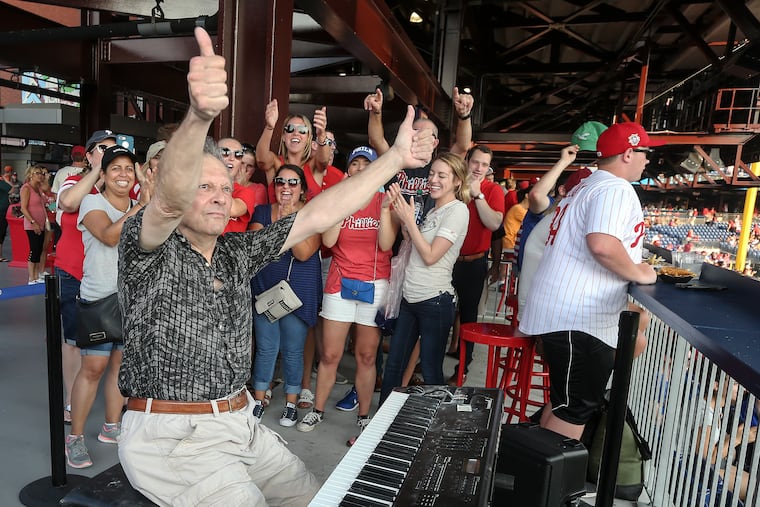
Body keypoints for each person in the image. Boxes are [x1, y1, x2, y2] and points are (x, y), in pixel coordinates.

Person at [116, 27, 435, 506]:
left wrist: (392, 160)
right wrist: (201, 117)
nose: (219, 196)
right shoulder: (147, 247)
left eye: (225, 188)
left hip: (240, 423)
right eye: (204, 188)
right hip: (173, 435)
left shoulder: (234, 250)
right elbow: (166, 202)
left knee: (312, 498)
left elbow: (317, 214)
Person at [519, 122, 661, 440]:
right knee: (570, 416)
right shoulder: (614, 188)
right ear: (628, 154)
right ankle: (547, 487)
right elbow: (602, 245)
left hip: (566, 316)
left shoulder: (587, 186)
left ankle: (533, 480)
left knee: (563, 405)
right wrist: (641, 271)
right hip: (579, 320)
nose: (647, 159)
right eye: (644, 152)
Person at [297, 146, 396, 446]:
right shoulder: (338, 199)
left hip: (374, 284)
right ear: (348, 169)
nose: (361, 168)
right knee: (330, 355)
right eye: (356, 164)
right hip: (340, 282)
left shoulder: (385, 199)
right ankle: (317, 410)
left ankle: (364, 418)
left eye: (368, 164)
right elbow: (328, 240)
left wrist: (383, 210)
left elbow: (386, 243)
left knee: (366, 355)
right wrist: (342, 205)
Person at [65, 145, 148, 469]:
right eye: (116, 168)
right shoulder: (92, 202)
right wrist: (140, 206)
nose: (124, 174)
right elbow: (110, 236)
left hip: (131, 300)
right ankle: (75, 438)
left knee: (120, 367)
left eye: (129, 168)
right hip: (99, 299)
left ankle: (112, 427)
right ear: (103, 174)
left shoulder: (141, 205)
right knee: (93, 369)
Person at [380, 152, 470, 404]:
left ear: (457, 182)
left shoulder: (458, 211)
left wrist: (409, 219)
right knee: (394, 367)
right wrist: (402, 217)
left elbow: (431, 256)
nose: (433, 179)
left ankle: (431, 434)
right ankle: (380, 429)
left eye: (442, 175)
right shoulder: (434, 211)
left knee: (431, 372)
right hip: (410, 298)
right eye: (432, 174)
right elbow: (415, 246)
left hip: (435, 302)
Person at [249, 164, 321, 427]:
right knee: (266, 349)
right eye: (280, 182)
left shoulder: (311, 216)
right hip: (266, 291)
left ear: (302, 189)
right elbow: (260, 248)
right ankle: (258, 401)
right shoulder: (262, 212)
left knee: (293, 352)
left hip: (297, 294)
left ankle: (291, 405)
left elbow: (303, 253)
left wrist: (290, 220)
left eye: (293, 183)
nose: (286, 188)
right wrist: (288, 227)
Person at [56, 130, 118, 426]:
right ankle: (71, 399)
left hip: (107, 277)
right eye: (102, 148)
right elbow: (68, 203)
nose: (109, 153)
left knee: (112, 344)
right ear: (90, 153)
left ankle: (112, 407)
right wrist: (96, 171)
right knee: (72, 340)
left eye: (114, 149)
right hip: (73, 271)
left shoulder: (123, 186)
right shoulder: (73, 180)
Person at [449, 145, 505, 382]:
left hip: (473, 264)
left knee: (469, 319)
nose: (479, 168)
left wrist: (478, 194)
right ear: (467, 161)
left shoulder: (493, 191)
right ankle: (426, 362)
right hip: (447, 261)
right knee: (440, 314)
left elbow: (494, 225)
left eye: (484, 164)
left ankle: (462, 368)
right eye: (476, 162)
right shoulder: (453, 186)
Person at [19, 165, 49, 284]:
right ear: (31, 175)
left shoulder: (38, 188)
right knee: (34, 249)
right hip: (32, 224)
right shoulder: (26, 188)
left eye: (41, 173)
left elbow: (47, 193)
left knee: (39, 249)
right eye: (38, 173)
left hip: (41, 223)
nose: (40, 175)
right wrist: (33, 222)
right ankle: (31, 277)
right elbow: (23, 208)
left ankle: (36, 274)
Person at [0, 166, 12, 262]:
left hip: (3, 210)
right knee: (1, 233)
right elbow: (11, 188)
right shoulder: (2, 183)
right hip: (2, 211)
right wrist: (4, 179)